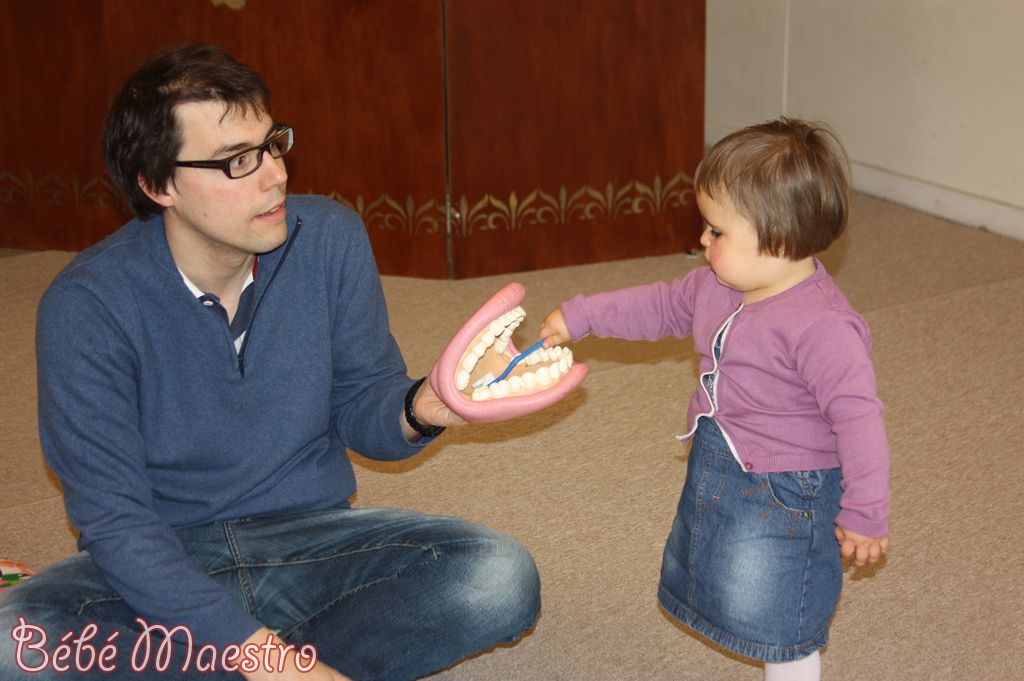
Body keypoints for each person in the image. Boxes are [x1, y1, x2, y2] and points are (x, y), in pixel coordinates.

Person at [0, 43, 540, 681]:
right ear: (157, 184)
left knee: (497, 575)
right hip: (162, 556)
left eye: (272, 145)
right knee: (13, 641)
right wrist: (269, 659)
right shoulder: (86, 305)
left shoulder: (330, 238)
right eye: (237, 161)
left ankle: (226, 657)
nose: (275, 176)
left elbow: (362, 403)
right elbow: (117, 525)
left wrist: (423, 407)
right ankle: (272, 654)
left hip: (309, 540)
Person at [538, 118, 890, 680]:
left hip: (788, 489)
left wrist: (866, 511)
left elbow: (859, 420)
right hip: (722, 462)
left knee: (783, 612)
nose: (703, 240)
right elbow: (656, 306)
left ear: (777, 238)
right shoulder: (716, 286)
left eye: (716, 231)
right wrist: (581, 316)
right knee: (720, 570)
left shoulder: (824, 327)